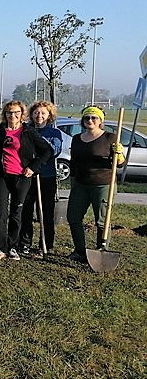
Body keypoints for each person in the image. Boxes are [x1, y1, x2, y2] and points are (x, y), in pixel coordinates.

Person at [0, 100, 52, 261]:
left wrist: (33, 167)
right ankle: (0, 247)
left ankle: (13, 247)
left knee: (16, 213)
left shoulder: (28, 132)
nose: (13, 115)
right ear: (5, 114)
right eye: (10, 112)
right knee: (1, 213)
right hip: (1, 176)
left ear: (22, 114)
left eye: (17, 112)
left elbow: (47, 151)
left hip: (22, 177)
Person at [67, 106, 125, 263]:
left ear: (100, 121)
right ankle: (80, 251)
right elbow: (73, 163)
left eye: (94, 118)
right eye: (87, 118)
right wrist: (73, 183)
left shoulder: (110, 138)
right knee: (73, 217)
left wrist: (119, 153)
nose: (90, 120)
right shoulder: (77, 139)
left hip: (103, 184)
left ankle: (101, 250)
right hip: (80, 184)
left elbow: (120, 164)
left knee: (102, 221)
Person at [20, 101, 63, 257]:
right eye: (36, 113)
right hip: (27, 176)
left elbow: (54, 151)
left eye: (43, 113)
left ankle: (46, 243)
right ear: (31, 115)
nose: (39, 116)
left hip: (46, 176)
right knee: (25, 211)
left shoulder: (54, 133)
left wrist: (38, 139)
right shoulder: (25, 130)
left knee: (46, 212)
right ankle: (24, 243)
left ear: (49, 115)